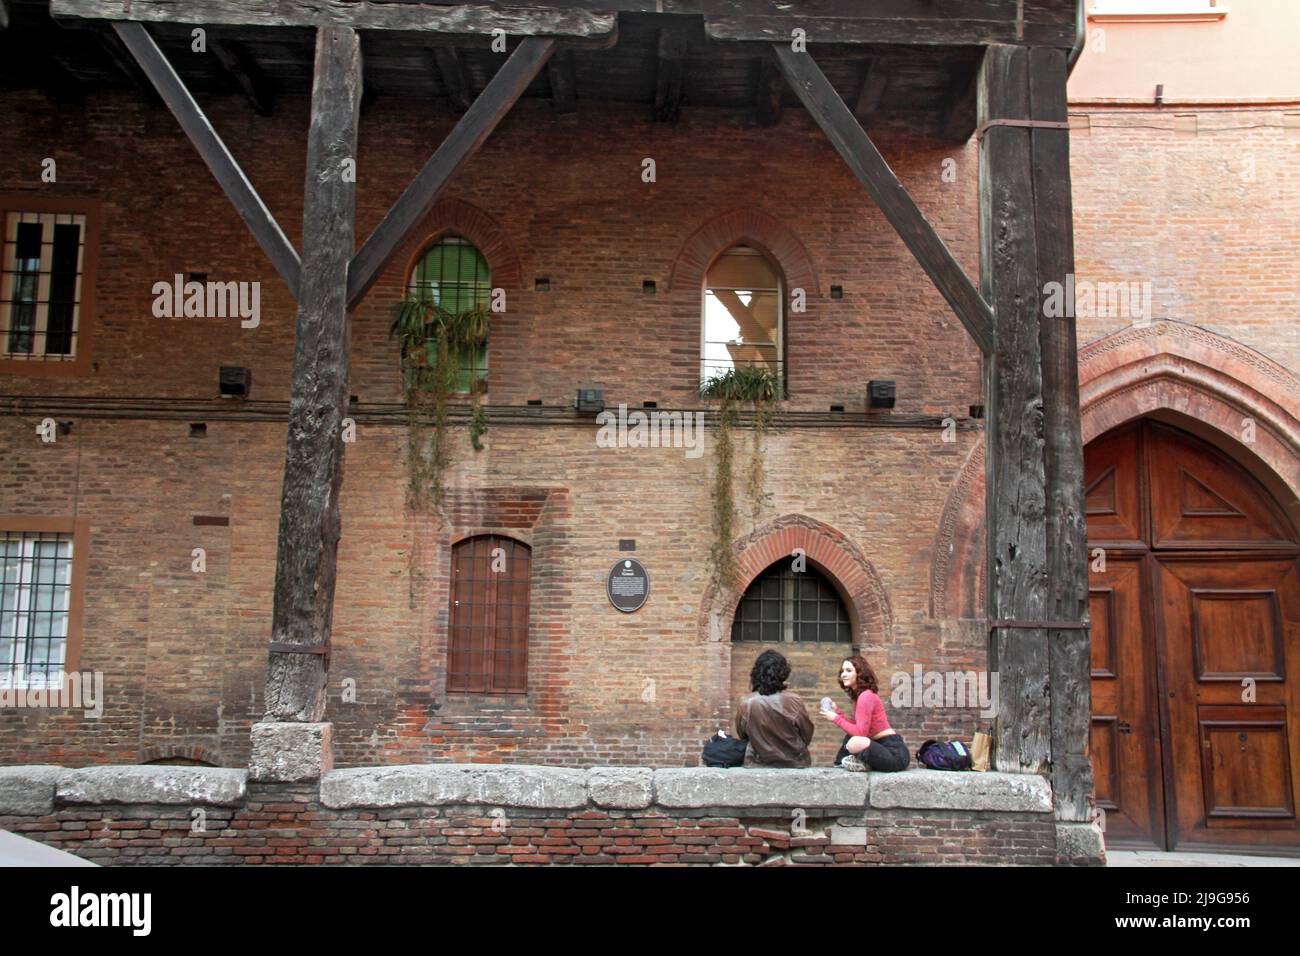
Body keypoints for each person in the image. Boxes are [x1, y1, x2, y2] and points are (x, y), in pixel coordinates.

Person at [820, 654, 909, 772]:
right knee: (851, 737)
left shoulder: (866, 696)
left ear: (860, 673)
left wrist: (836, 718)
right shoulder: (860, 697)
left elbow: (860, 733)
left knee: (854, 742)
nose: (843, 674)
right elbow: (857, 728)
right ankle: (845, 763)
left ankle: (849, 762)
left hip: (893, 752)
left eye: (848, 670)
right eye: (842, 671)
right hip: (878, 747)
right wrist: (838, 712)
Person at [735, 650, 815, 768]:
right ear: (783, 673)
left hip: (757, 763)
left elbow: (743, 734)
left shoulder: (746, 703)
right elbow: (806, 734)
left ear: (757, 673)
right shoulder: (794, 701)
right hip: (795, 763)